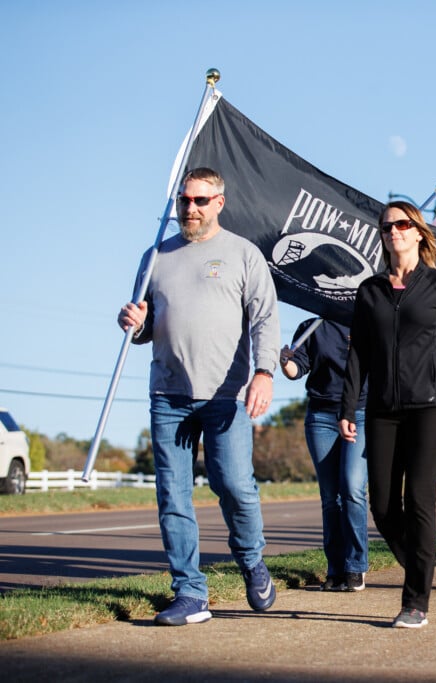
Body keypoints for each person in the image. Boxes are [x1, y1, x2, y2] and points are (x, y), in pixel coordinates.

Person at [117, 167, 280, 626]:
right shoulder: (155, 256)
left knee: (234, 486)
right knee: (173, 494)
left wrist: (264, 372)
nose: (190, 209)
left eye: (200, 201)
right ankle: (190, 592)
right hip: (168, 394)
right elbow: (145, 327)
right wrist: (133, 322)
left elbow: (265, 319)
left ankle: (251, 560)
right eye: (184, 200)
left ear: (219, 203)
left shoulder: (243, 255)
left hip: (226, 396)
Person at [339, 200, 436, 629]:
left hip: (432, 407)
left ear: (418, 233)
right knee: (382, 504)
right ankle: (421, 560)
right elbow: (359, 353)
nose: (394, 231)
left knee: (419, 499)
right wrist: (349, 405)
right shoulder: (370, 290)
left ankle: (415, 600)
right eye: (387, 227)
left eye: (402, 225)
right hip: (383, 408)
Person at [280, 318, 368, 592]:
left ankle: (356, 567)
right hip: (321, 417)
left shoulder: (367, 322)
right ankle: (336, 568)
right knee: (331, 497)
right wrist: (285, 362)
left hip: (360, 413)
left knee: (353, 488)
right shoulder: (311, 325)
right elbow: (297, 369)